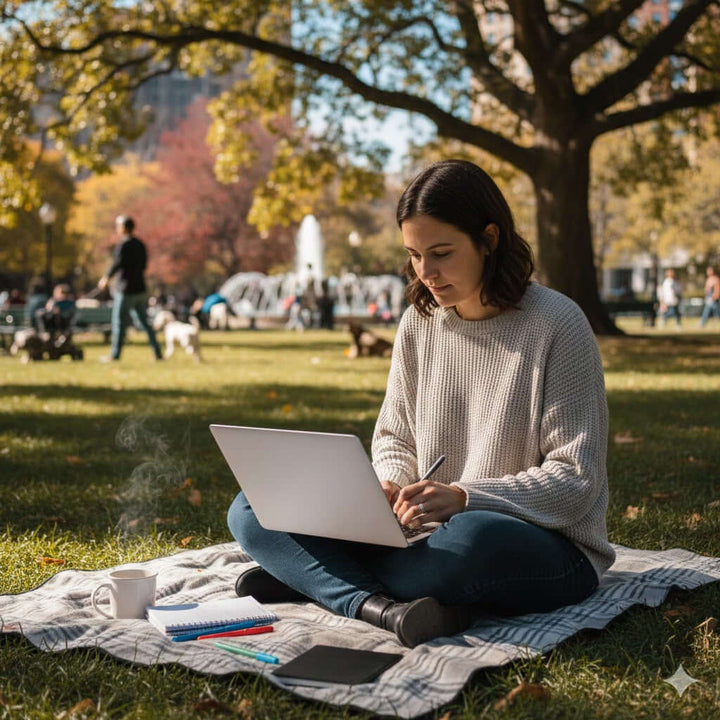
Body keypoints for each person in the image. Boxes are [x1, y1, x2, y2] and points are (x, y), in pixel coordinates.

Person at [227, 159, 614, 647]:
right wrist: (389, 487)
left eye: (441, 253)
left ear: (489, 238)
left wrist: (466, 497)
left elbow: (575, 480)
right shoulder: (420, 322)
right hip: (419, 537)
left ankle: (317, 579)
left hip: (541, 547)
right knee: (252, 508)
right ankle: (377, 604)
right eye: (413, 254)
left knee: (470, 539)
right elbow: (394, 434)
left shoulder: (559, 323)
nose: (425, 272)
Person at [97, 216, 162, 361]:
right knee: (146, 324)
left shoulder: (123, 245)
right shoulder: (141, 245)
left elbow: (117, 263)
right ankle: (158, 353)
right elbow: (144, 266)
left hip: (125, 290)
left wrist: (106, 278)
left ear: (124, 228)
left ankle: (115, 355)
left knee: (119, 323)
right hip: (140, 289)